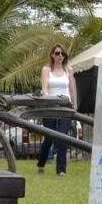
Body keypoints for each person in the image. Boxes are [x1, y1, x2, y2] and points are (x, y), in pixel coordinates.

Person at [36, 44, 77, 176]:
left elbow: (72, 88)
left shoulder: (68, 69)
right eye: (57, 53)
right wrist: (46, 98)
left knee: (62, 137)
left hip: (65, 106)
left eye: (62, 54)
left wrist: (74, 104)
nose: (60, 56)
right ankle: (41, 163)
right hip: (51, 105)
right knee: (49, 137)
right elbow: (44, 87)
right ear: (52, 55)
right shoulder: (46, 69)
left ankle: (61, 170)